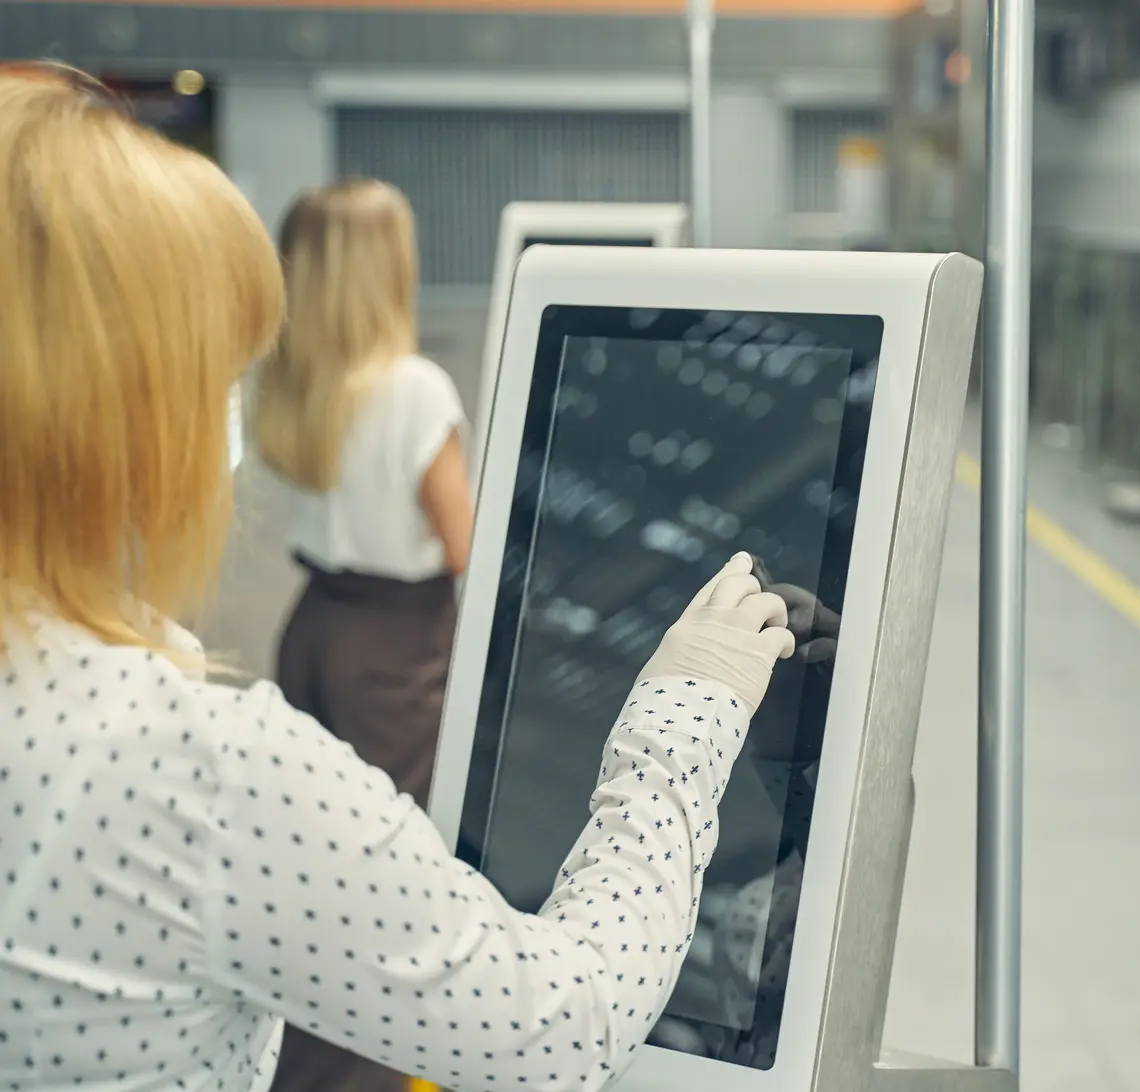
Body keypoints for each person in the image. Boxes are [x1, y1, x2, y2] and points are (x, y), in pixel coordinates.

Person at [0, 61, 796, 1092]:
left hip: (319, 623)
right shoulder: (206, 774)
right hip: (397, 640)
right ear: (120, 415)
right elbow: (561, 1029)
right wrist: (682, 718)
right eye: (209, 372)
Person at [253, 178, 467, 819]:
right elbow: (465, 550)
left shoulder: (291, 382)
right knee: (401, 840)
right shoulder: (414, 389)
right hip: (398, 653)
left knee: (319, 827)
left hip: (313, 628)